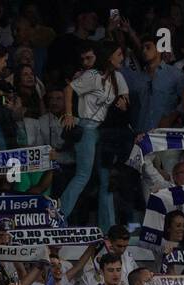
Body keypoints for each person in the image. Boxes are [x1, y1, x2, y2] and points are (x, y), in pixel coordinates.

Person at [60, 40, 129, 225]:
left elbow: (125, 98)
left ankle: (108, 228)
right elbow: (68, 89)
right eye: (118, 55)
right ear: (108, 57)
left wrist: (123, 103)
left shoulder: (116, 77)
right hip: (88, 128)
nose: (121, 58)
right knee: (83, 175)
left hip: (105, 132)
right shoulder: (92, 75)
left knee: (106, 180)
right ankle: (58, 216)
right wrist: (68, 113)